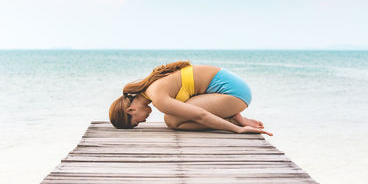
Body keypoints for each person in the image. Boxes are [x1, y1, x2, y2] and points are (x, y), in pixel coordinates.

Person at [109, 61, 273, 136]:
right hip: (233, 88)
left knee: (172, 121)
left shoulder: (158, 97)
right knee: (173, 118)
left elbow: (200, 115)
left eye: (136, 122)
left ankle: (234, 122)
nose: (142, 122)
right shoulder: (151, 87)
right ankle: (235, 117)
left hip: (234, 94)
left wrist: (238, 130)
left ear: (131, 109)